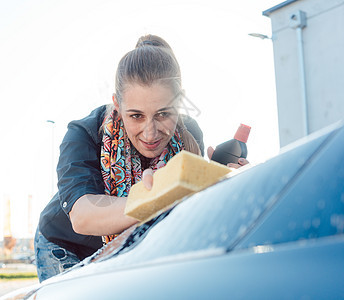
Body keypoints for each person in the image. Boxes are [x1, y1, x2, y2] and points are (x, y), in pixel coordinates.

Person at [34, 34, 246, 282]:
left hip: (133, 248)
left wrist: (220, 182)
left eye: (163, 114)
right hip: (68, 247)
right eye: (136, 116)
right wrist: (153, 198)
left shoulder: (190, 134)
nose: (150, 132)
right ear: (117, 103)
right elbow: (82, 216)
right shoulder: (84, 133)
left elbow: (187, 214)